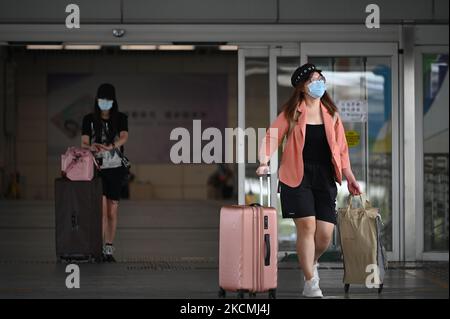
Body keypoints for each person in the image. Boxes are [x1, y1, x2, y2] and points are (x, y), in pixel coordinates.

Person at [256, 63, 361, 297]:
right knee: (307, 228)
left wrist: (350, 177)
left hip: (325, 177)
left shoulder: (332, 115)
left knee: (324, 233)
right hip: (296, 177)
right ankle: (311, 282)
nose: (319, 82)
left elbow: (342, 150)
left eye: (320, 78)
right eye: (314, 79)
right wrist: (264, 161)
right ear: (303, 87)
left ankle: (309, 263)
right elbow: (271, 137)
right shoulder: (291, 112)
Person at [81, 83, 129, 262]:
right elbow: (83, 142)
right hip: (97, 168)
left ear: (113, 101)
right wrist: (91, 146)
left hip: (115, 169)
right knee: (100, 211)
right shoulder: (89, 119)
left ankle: (109, 248)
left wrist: (111, 146)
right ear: (97, 100)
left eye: (108, 100)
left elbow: (124, 136)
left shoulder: (121, 118)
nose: (105, 103)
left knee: (112, 212)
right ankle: (97, 249)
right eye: (102, 100)